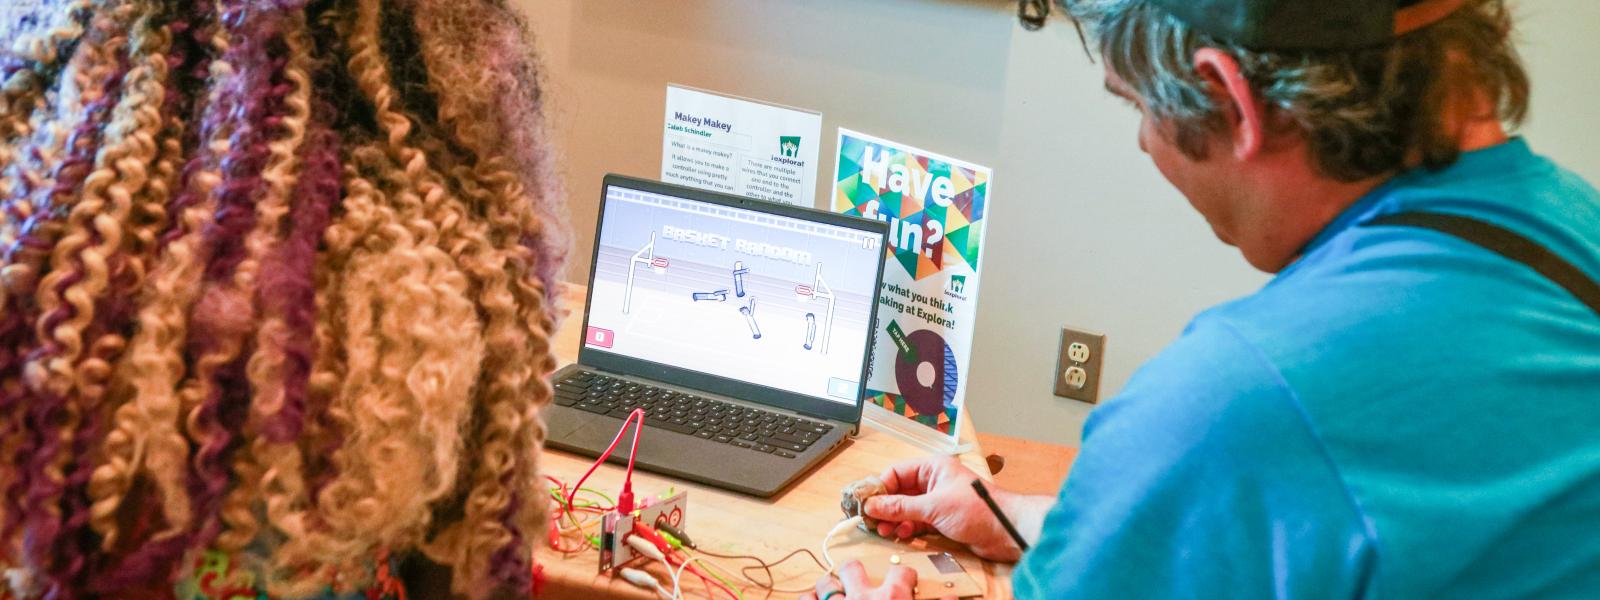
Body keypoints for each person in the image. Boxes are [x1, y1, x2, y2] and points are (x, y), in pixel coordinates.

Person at [810, 0, 1600, 598]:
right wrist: (1028, 516)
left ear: (1226, 94)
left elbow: (1272, 465)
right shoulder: (1574, 232)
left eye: (1135, 105)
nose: (1146, 143)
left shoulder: (1241, 400)